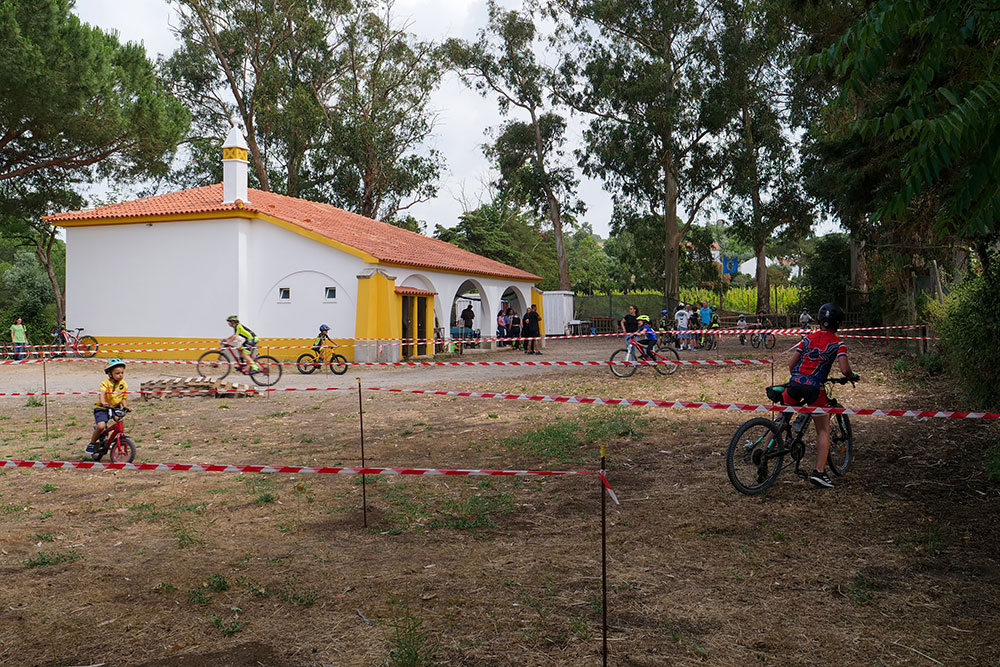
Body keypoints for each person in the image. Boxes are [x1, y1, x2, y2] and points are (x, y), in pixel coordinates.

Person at [781, 302, 859, 489]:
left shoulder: (807, 339)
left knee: (781, 420)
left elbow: (791, 366)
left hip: (795, 383)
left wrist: (799, 378)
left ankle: (765, 451)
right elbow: (844, 368)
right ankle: (819, 472)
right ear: (838, 323)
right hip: (815, 387)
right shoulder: (838, 343)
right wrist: (851, 376)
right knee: (823, 430)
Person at [86, 358, 130, 456]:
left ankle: (115, 439)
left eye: (122, 373)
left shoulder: (123, 384)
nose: (120, 375)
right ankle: (92, 443)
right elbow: (102, 393)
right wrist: (103, 401)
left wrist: (125, 406)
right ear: (110, 374)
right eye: (117, 373)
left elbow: (123, 397)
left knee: (119, 421)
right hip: (103, 408)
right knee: (101, 426)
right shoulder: (105, 383)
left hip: (115, 407)